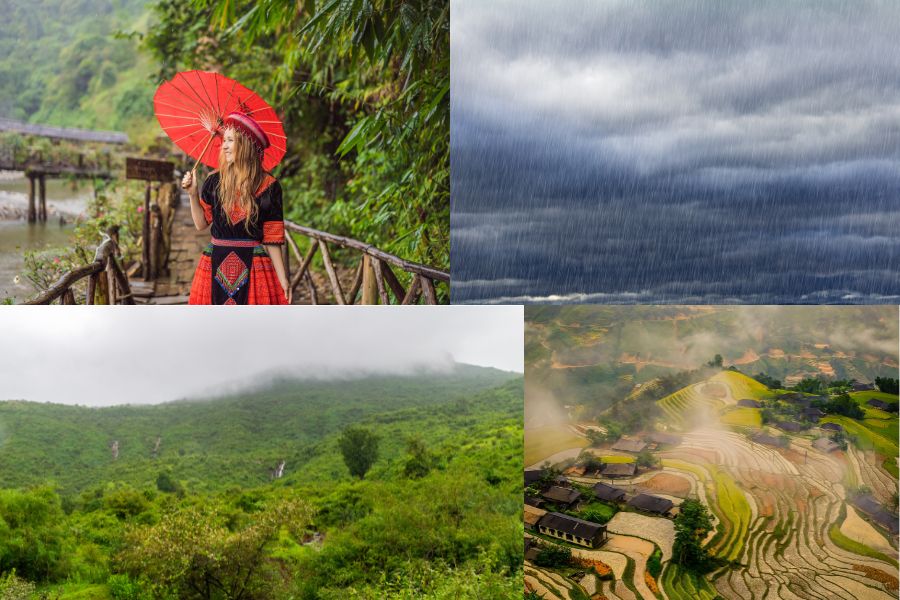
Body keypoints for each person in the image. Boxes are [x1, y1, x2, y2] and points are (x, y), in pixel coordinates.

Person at [181, 112, 291, 304]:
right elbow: (200, 224)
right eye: (224, 140)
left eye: (230, 140)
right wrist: (192, 194)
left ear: (246, 144)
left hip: (255, 265)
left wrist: (283, 279)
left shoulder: (270, 186)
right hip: (214, 261)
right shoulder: (214, 181)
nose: (224, 145)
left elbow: (273, 239)